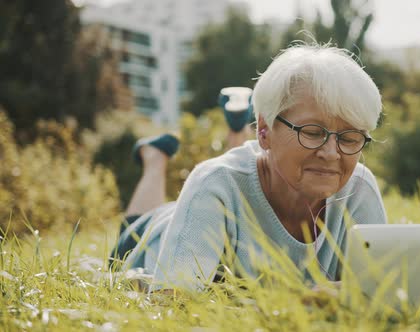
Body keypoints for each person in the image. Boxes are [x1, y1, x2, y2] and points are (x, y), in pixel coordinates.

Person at [110, 43, 387, 293]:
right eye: (312, 132)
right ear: (265, 130)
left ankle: (237, 129)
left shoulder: (359, 188)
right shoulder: (212, 184)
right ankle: (155, 157)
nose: (331, 153)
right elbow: (171, 300)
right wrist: (301, 299)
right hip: (151, 236)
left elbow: (382, 290)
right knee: (140, 219)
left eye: (350, 138)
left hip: (229, 198)